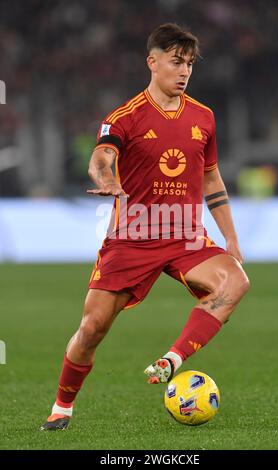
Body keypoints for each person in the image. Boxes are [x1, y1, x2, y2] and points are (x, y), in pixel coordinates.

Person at [41, 23, 250, 431]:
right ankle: (62, 407)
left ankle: (172, 359)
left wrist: (231, 238)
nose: (184, 71)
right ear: (152, 63)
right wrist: (106, 178)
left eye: (189, 63)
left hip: (186, 235)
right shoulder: (125, 116)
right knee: (92, 328)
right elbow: (102, 155)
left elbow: (211, 177)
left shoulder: (203, 117)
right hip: (133, 236)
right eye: (176, 62)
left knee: (236, 281)